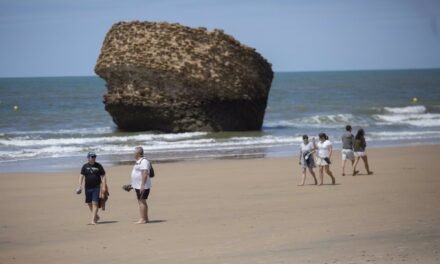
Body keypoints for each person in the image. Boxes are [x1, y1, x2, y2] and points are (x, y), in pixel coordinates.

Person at [77, 152, 107, 225]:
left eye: (94, 157)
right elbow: (81, 176)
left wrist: (104, 186)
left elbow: (103, 176)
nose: (93, 158)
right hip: (87, 187)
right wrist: (79, 186)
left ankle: (93, 220)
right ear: (88, 158)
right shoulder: (85, 166)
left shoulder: (98, 166)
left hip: (97, 187)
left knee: (95, 203)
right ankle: (96, 216)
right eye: (92, 157)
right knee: (89, 203)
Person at [131, 146, 151, 224]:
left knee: (141, 201)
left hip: (143, 186)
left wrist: (142, 185)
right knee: (141, 201)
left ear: (138, 153)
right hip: (138, 185)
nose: (133, 154)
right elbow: (137, 174)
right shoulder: (139, 161)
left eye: (134, 152)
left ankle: (143, 219)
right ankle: (145, 218)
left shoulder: (144, 161)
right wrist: (132, 185)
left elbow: (145, 173)